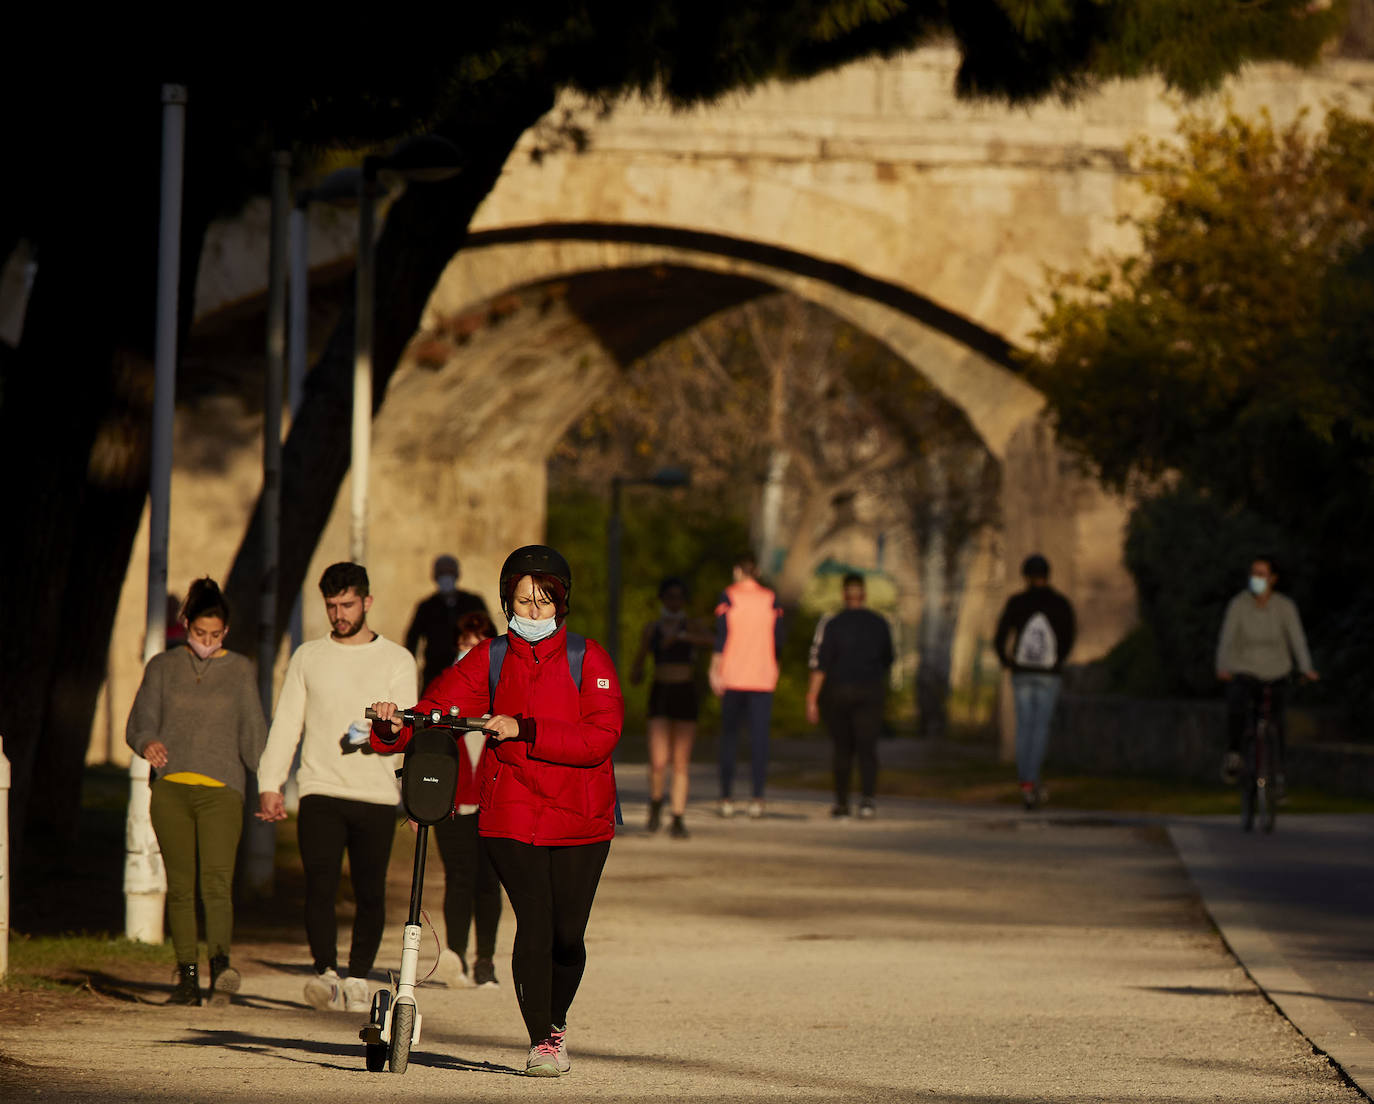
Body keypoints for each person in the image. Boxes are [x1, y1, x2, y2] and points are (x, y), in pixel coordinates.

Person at [369, 545, 622, 1077]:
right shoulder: (491, 656)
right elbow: (439, 709)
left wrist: (523, 727)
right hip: (510, 814)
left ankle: (556, 1020)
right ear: (508, 600)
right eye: (523, 602)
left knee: (568, 937)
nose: (532, 614)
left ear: (561, 603)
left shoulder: (588, 658)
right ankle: (542, 1042)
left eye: (543, 603)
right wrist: (394, 725)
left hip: (580, 818)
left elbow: (600, 737)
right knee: (535, 922)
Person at [255, 562, 417, 1014]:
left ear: (366, 602)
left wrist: (382, 733)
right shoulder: (309, 656)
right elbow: (287, 722)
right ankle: (325, 973)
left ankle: (359, 977)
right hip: (320, 787)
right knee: (320, 884)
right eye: (331, 606)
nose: (339, 614)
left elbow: (405, 729)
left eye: (347, 604)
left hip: (376, 792)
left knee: (370, 890)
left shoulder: (396, 659)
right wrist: (270, 783)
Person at [125, 577, 267, 1007]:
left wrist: (271, 786)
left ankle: (220, 968)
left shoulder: (241, 670)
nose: (207, 641)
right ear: (185, 625)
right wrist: (147, 741)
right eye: (199, 633)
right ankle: (186, 978)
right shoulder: (162, 667)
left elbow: (254, 736)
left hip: (222, 792)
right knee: (181, 886)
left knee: (217, 883)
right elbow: (140, 721)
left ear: (226, 631)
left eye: (216, 634)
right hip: (171, 790)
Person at [433, 609, 504, 989]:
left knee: (489, 882)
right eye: (462, 645)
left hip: (493, 803)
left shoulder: (505, 686)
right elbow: (428, 741)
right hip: (454, 803)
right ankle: (455, 957)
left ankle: (486, 961)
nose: (467, 651)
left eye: (475, 645)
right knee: (458, 878)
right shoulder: (446, 685)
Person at [1216, 555, 1318, 791]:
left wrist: (1306, 668)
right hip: (1245, 669)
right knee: (1237, 706)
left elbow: (1297, 640)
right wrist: (1223, 667)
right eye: (1253, 573)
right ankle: (1234, 754)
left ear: (1273, 579)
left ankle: (1278, 774)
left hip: (1276, 671)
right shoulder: (1239, 605)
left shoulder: (1285, 607)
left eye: (1261, 574)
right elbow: (1227, 639)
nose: (1256, 579)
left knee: (1278, 722)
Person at [629, 577, 714, 838]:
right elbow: (639, 662)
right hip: (661, 692)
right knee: (658, 760)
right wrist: (637, 673)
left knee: (680, 761)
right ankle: (656, 802)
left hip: (684, 691)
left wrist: (682, 636)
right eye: (670, 597)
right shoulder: (652, 628)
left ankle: (677, 815)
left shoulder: (691, 626)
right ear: (663, 599)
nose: (674, 602)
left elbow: (712, 640)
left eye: (679, 598)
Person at [804, 573, 894, 819]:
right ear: (863, 594)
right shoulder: (879, 623)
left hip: (839, 692)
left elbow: (820, 664)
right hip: (870, 691)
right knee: (868, 748)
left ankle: (842, 803)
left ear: (844, 595)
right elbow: (889, 659)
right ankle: (867, 801)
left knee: (842, 748)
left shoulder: (832, 624)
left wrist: (812, 697)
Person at [994, 554, 1076, 810]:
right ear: (1048, 575)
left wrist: (1007, 660)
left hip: (1022, 671)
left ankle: (1026, 783)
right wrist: (1058, 660)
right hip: (1048, 674)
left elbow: (1000, 634)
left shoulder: (1018, 602)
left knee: (1024, 728)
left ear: (1025, 576)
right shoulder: (1060, 603)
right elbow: (1069, 635)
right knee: (1040, 728)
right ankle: (1032, 781)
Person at [709, 552, 784, 819]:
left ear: (737, 570)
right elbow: (779, 640)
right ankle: (757, 798)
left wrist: (714, 669)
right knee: (760, 741)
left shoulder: (729, 596)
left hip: (733, 676)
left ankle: (726, 798)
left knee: (729, 739)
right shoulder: (771, 599)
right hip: (763, 678)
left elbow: (721, 637)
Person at [405, 554, 489, 690]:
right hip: (435, 672)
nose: (446, 577)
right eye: (442, 573)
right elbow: (412, 639)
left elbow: (488, 634)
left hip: (471, 670)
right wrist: (408, 668)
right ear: (435, 576)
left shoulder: (473, 602)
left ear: (457, 574)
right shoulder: (427, 606)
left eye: (449, 572)